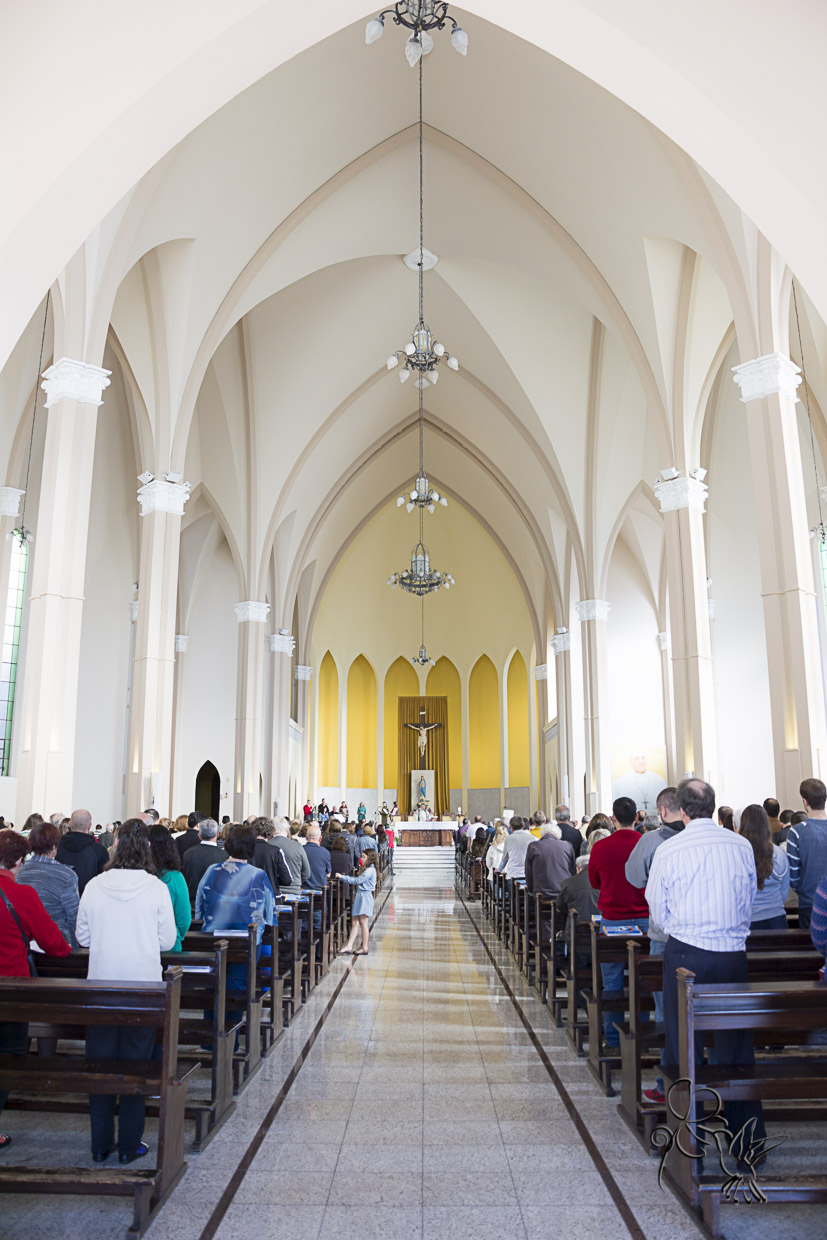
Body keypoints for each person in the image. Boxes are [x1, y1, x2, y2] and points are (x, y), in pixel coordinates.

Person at [645, 778, 764, 1148]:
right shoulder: (741, 844)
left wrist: (683, 928)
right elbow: (749, 896)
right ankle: (747, 1141)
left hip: (685, 955)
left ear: (680, 810)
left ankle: (687, 1139)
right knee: (737, 1046)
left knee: (684, 1045)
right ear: (712, 806)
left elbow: (657, 911)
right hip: (732, 954)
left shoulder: (671, 848)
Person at [76, 819, 177, 1164]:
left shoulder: (94, 885)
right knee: (136, 1066)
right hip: (142, 991)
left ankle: (100, 1144)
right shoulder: (156, 888)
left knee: (101, 1066)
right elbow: (166, 941)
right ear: (147, 848)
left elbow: (83, 938)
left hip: (101, 987)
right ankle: (129, 1145)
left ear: (115, 845)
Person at [0, 828, 71, 1152]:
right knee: (10, 1054)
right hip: (11, 991)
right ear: (17, 861)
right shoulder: (22, 895)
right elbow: (54, 945)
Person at [624, 786, 684, 1099]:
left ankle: (666, 1087)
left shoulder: (651, 841)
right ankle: (711, 1081)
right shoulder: (710, 839)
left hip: (664, 935)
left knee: (667, 1011)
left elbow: (634, 878)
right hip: (705, 939)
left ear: (661, 811)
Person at [588, 796, 650, 1049]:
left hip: (613, 919)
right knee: (645, 979)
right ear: (636, 817)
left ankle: (613, 1040)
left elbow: (594, 882)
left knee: (612, 982)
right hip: (646, 919)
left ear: (613, 818)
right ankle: (643, 1036)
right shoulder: (646, 844)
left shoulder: (602, 847)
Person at [16, 820, 80, 947]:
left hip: (26, 941)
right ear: (54, 846)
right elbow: (74, 916)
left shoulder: (20, 872)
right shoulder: (66, 875)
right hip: (58, 941)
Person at [735, 804, 790, 930]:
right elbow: (784, 889)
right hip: (776, 916)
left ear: (743, 826)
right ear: (766, 826)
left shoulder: (737, 854)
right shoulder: (779, 853)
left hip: (746, 918)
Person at [787, 777, 827, 930]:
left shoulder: (797, 832)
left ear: (805, 802)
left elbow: (794, 876)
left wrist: (802, 889)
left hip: (810, 902)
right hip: (811, 900)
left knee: (811, 948)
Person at [556, 830, 611, 938]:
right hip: (605, 932)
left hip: (577, 935)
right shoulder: (612, 879)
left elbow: (561, 907)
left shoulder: (568, 883)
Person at [148, 824, 191, 950]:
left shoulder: (135, 876)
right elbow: (184, 920)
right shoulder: (174, 878)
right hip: (169, 945)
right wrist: (177, 935)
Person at [55, 808, 109, 894]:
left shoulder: (55, 847)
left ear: (69, 824)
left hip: (59, 899)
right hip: (89, 900)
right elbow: (105, 880)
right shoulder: (100, 851)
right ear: (89, 826)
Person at [337, 848, 380, 955]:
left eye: (364, 857)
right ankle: (349, 946)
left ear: (370, 858)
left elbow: (357, 881)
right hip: (360, 896)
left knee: (363, 923)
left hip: (365, 897)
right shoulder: (367, 869)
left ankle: (365, 947)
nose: (361, 858)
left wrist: (342, 877)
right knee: (355, 922)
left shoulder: (370, 870)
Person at [525, 822, 576, 899]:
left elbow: (528, 871)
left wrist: (531, 890)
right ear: (558, 835)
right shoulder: (567, 846)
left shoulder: (533, 846)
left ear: (542, 834)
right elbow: (573, 870)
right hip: (564, 891)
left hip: (541, 892)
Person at [181, 818, 228, 901]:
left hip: (192, 900)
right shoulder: (224, 855)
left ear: (199, 835)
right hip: (215, 901)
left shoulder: (188, 853)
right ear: (217, 834)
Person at [250, 817, 293, 896]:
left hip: (251, 896)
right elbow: (287, 880)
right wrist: (274, 879)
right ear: (270, 832)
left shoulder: (245, 850)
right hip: (271, 896)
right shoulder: (275, 851)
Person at [270, 817, 310, 895]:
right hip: (293, 890)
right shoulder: (297, 846)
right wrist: (296, 882)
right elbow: (306, 873)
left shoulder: (267, 845)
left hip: (272, 891)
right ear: (288, 830)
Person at [497, 816, 533, 881]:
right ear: (524, 825)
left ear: (511, 827)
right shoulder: (532, 838)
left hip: (513, 874)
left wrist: (499, 870)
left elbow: (505, 858)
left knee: (511, 890)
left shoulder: (508, 839)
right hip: (528, 873)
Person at [304, 823, 332, 888]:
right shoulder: (325, 852)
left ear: (306, 837)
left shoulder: (300, 850)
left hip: (303, 889)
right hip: (320, 889)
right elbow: (328, 874)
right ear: (320, 839)